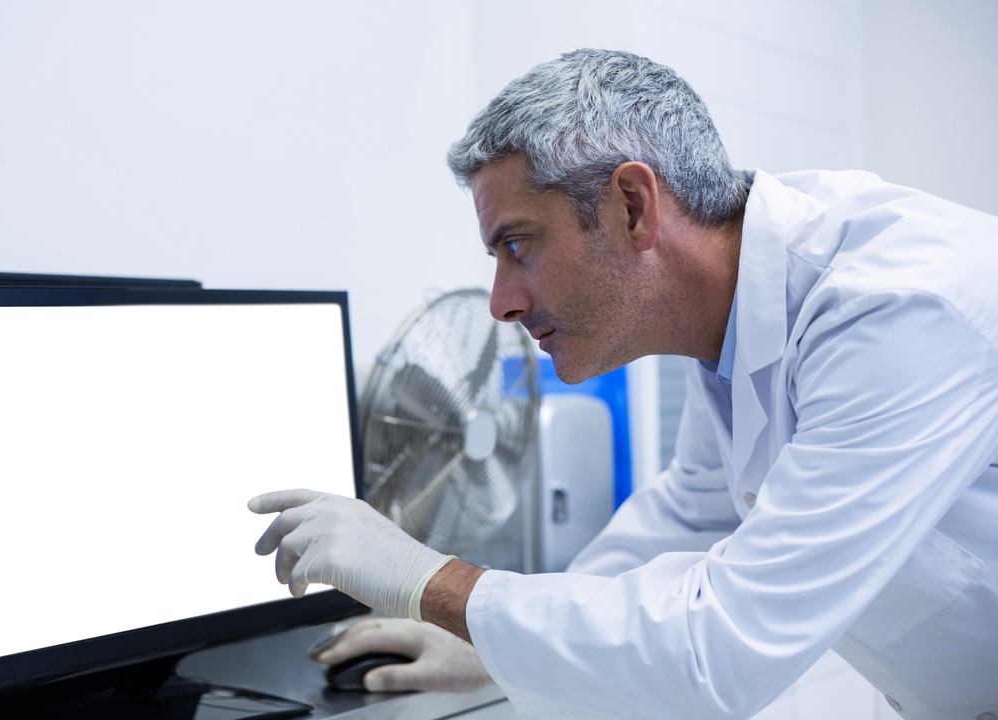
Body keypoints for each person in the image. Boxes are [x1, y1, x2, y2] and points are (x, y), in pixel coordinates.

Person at [244, 49, 998, 719]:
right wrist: (483, 641)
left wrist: (431, 582)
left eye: (517, 245)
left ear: (632, 207)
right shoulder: (736, 318)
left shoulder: (898, 308)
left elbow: (718, 653)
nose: (501, 300)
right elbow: (692, 512)